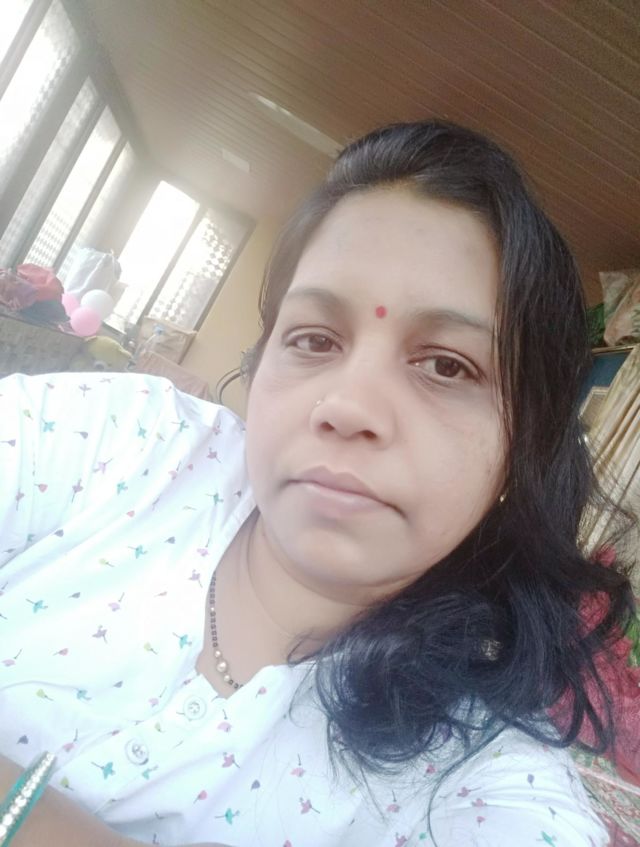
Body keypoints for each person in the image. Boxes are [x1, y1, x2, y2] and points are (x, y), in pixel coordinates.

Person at [0, 120, 633, 847]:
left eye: (447, 365)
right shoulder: (116, 441)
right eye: (314, 339)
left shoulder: (482, 782)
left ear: (519, 453)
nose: (348, 406)